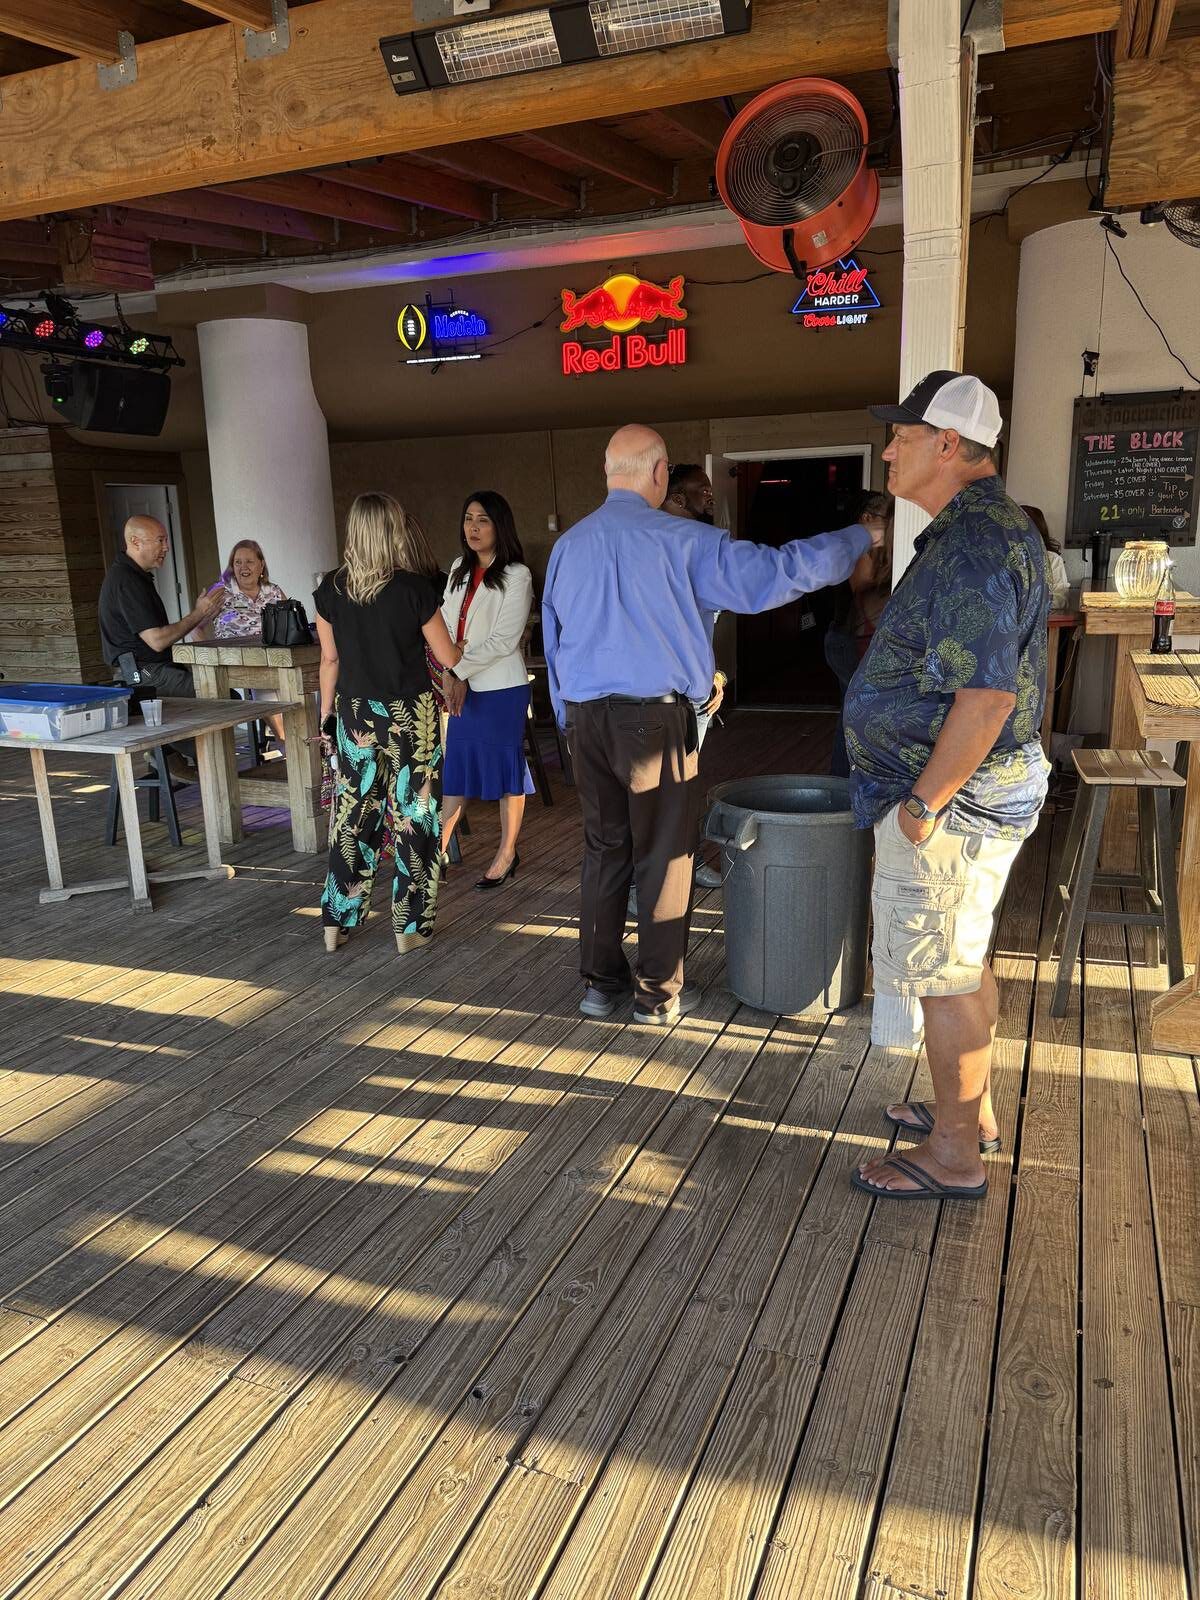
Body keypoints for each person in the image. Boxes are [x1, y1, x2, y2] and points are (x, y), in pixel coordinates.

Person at [542, 423, 883, 1026]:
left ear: (607, 472)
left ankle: (598, 986)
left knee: (604, 849)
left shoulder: (569, 546)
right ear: (657, 473)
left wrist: (569, 719)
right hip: (653, 721)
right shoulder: (684, 540)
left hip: (586, 721)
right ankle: (658, 993)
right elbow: (774, 574)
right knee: (665, 855)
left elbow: (554, 640)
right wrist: (859, 538)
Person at [845, 371, 1049, 1202]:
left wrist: (924, 805)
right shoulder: (976, 531)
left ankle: (956, 1157)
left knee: (945, 972)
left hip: (954, 800)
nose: (888, 447)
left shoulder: (972, 543)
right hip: (972, 792)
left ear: (949, 447)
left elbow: (988, 697)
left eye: (901, 434)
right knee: (965, 956)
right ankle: (972, 1114)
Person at [313, 492, 463, 956]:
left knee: (354, 815)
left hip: (355, 711)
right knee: (415, 818)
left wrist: (326, 715)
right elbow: (447, 656)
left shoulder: (330, 590)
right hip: (409, 714)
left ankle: (336, 923)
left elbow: (329, 660)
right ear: (393, 531)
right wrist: (462, 643)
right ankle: (408, 928)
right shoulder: (415, 589)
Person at [439, 491, 536, 891]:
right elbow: (442, 622)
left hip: (500, 689)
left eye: (482, 520)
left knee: (505, 772)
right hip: (460, 682)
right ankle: (435, 852)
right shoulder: (458, 567)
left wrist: (457, 668)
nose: (473, 528)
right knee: (457, 769)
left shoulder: (517, 575)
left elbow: (504, 640)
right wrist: (449, 669)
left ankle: (507, 852)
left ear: (500, 525)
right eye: (468, 519)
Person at [98, 514, 224, 776]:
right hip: (140, 673)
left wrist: (200, 617)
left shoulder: (135, 576)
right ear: (135, 542)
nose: (166, 547)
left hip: (152, 667)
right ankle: (170, 752)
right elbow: (157, 641)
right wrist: (198, 614)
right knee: (218, 698)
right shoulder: (126, 580)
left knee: (221, 692)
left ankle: (169, 752)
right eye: (160, 540)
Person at [659, 463, 726, 895]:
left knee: (684, 786)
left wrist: (715, 675)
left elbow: (701, 630)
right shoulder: (656, 550)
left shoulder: (702, 548)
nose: (711, 495)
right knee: (654, 794)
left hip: (695, 690)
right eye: (702, 489)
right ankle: (638, 881)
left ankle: (688, 859)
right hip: (656, 693)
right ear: (677, 498)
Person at [825, 491, 894, 778]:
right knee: (853, 719)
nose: (890, 525)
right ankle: (843, 787)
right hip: (848, 640)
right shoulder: (859, 550)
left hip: (855, 638)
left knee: (851, 716)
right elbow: (863, 591)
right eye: (886, 519)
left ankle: (844, 786)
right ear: (867, 518)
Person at [200, 538, 289, 752]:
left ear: (261, 565)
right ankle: (285, 742)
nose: (243, 567)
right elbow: (196, 625)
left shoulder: (273, 592)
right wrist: (209, 657)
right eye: (237, 562)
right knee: (265, 686)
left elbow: (289, 622)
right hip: (238, 663)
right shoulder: (221, 592)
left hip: (274, 658)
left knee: (302, 685)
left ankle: (301, 741)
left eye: (249, 561)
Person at [1022, 504, 1070, 610]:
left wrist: (1031, 605)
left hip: (1042, 623)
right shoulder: (1006, 557)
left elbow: (1061, 599)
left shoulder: (1052, 559)